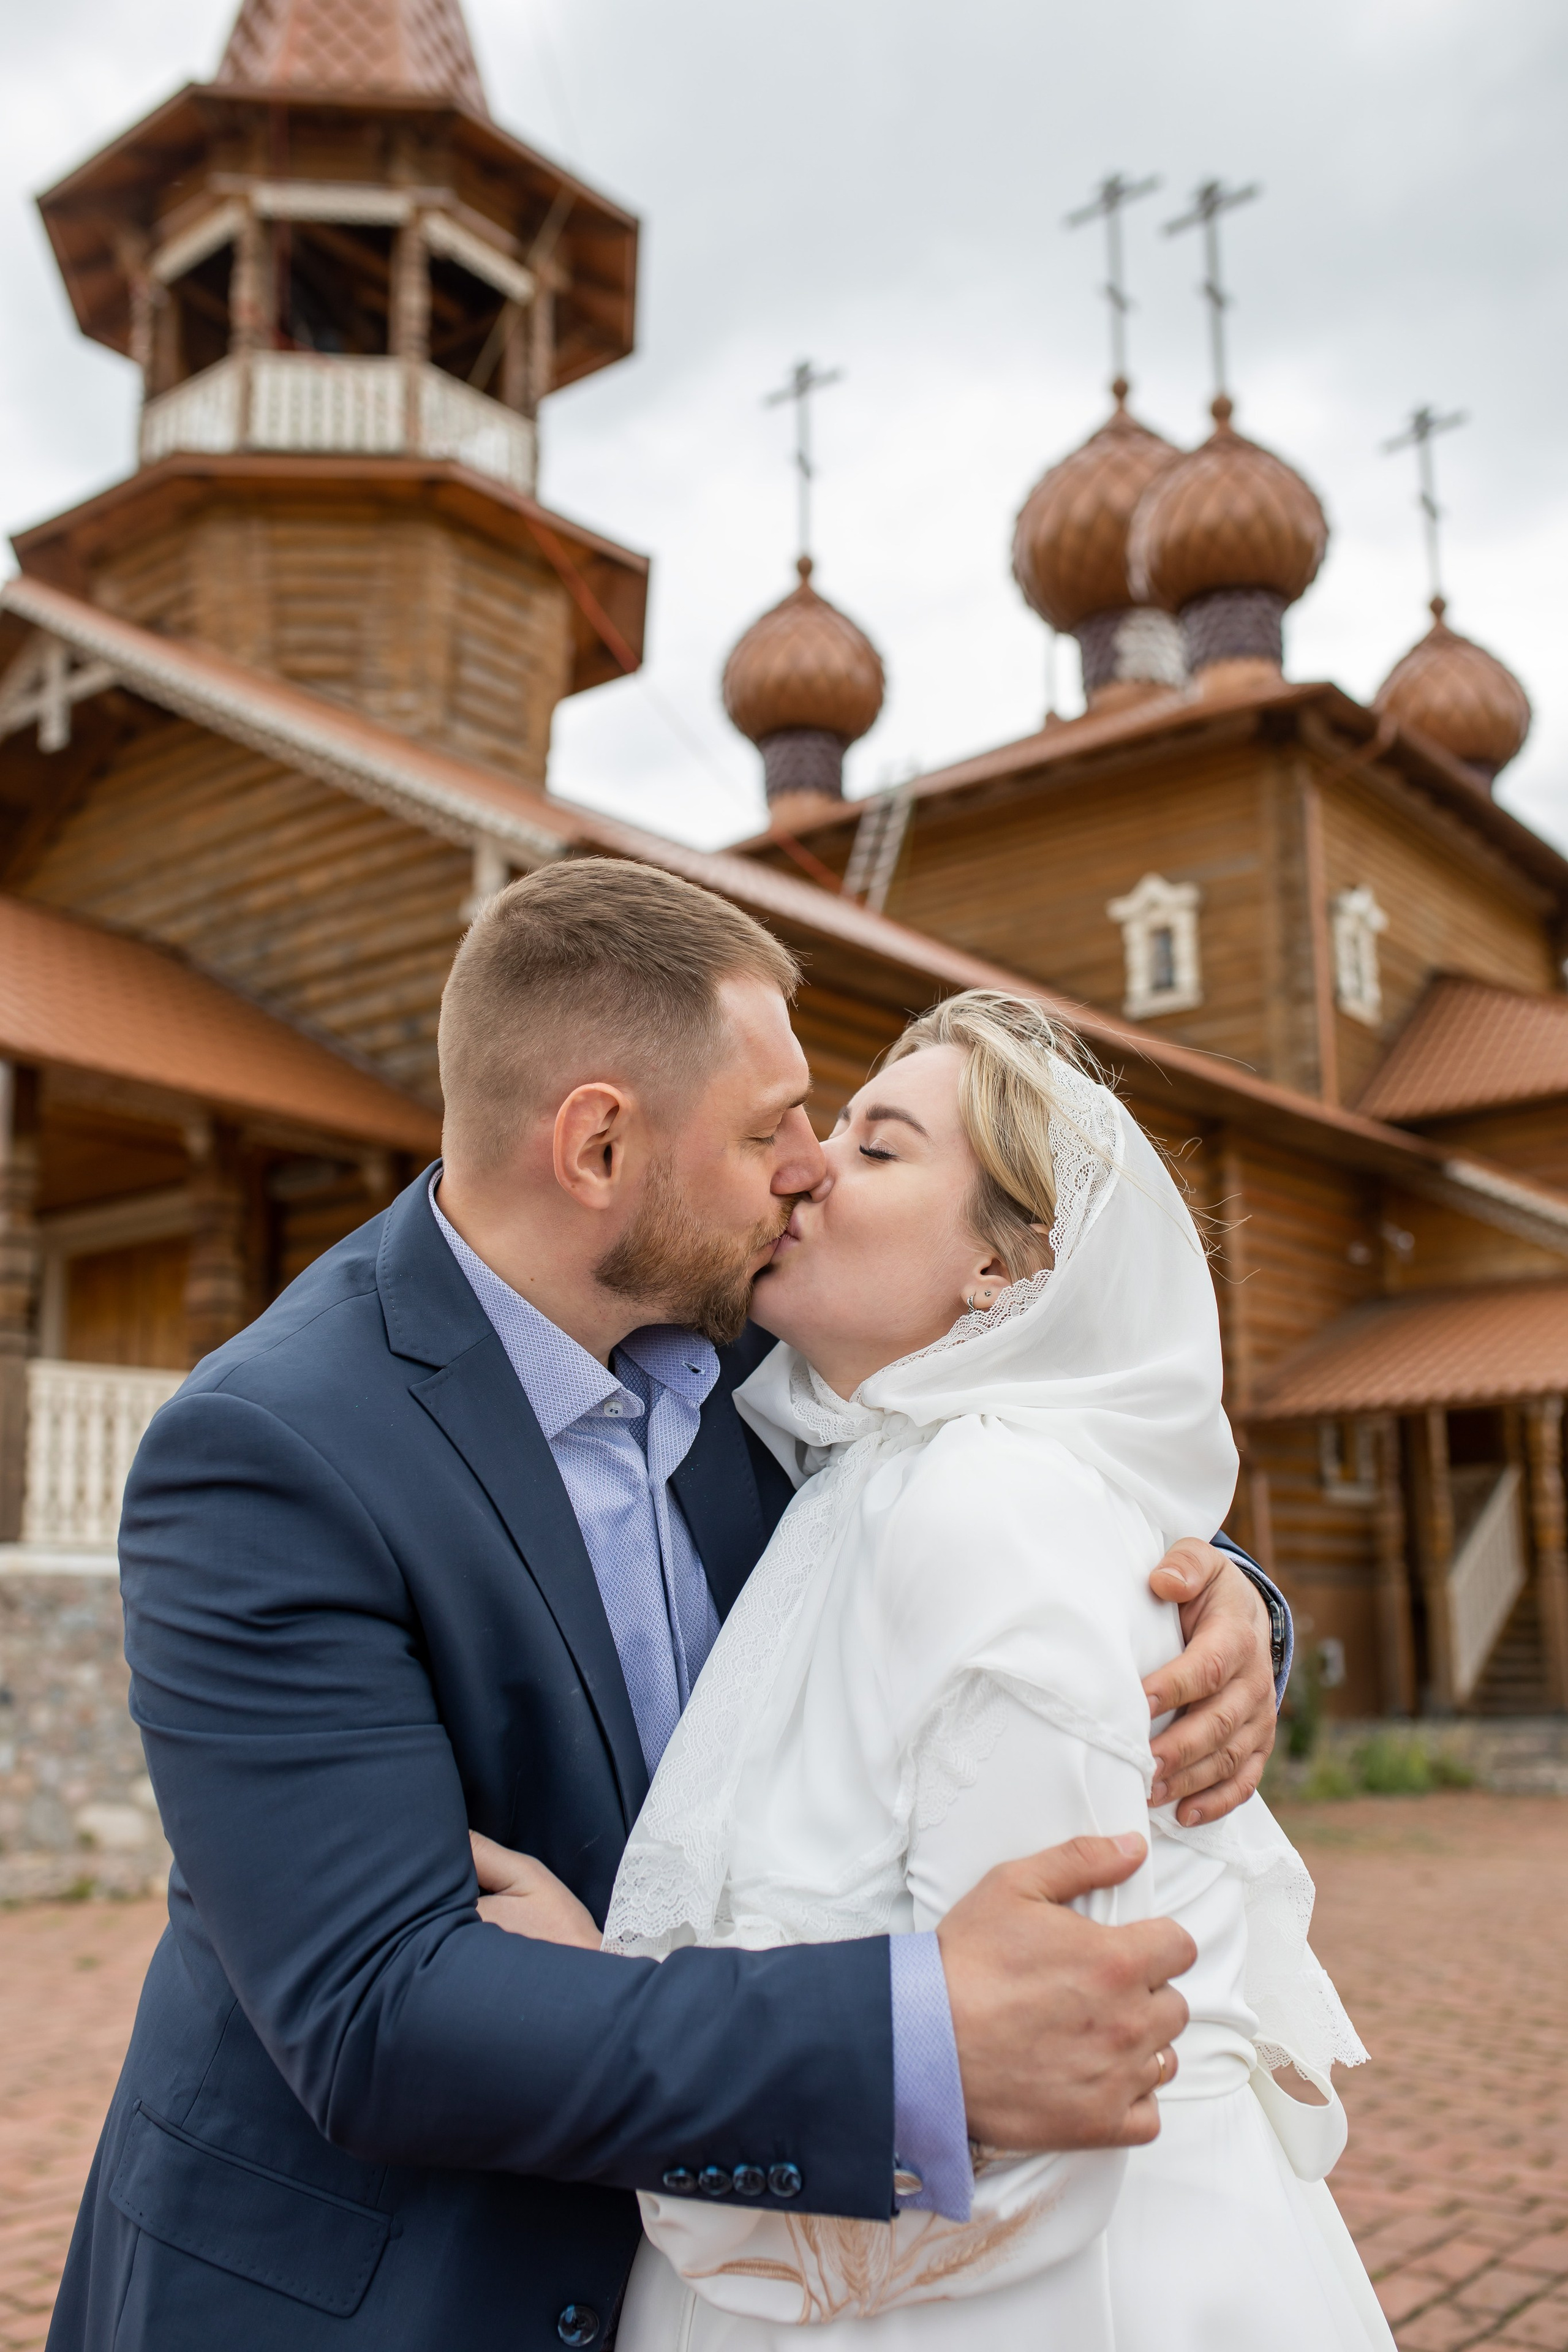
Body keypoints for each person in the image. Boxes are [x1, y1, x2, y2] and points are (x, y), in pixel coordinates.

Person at [50, 864, 1288, 2352]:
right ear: (598, 1146)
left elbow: (997, 1432)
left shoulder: (753, 1351)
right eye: (769, 1129)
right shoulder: (271, 1452)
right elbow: (376, 2014)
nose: (805, 1171)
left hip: (718, 2264)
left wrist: (1217, 1600)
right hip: (384, 2290)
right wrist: (917, 2040)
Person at [513, 987, 1384, 2352]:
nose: (803, 1169)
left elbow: (1039, 2081)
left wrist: (595, 2017)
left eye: (875, 1147)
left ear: (1003, 1269)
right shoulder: (863, 1467)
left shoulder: (985, 1504)